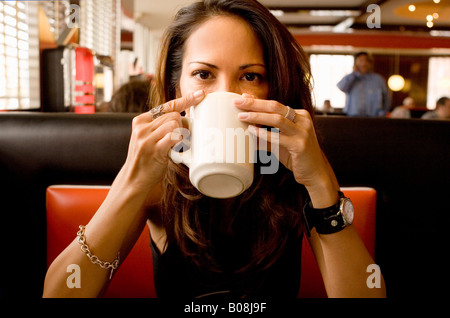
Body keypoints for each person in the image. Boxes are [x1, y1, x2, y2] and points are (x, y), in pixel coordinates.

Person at [43, 0, 385, 298]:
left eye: (250, 77)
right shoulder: (160, 178)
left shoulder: (291, 174)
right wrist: (130, 185)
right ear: (176, 86)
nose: (229, 95)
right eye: (204, 74)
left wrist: (321, 183)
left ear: (275, 89)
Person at [337, 51, 390, 117]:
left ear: (370, 63)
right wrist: (353, 74)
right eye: (360, 60)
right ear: (355, 63)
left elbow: (386, 98)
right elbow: (341, 87)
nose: (364, 63)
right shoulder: (351, 78)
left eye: (366, 61)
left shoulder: (378, 79)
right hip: (353, 117)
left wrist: (384, 112)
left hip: (374, 118)